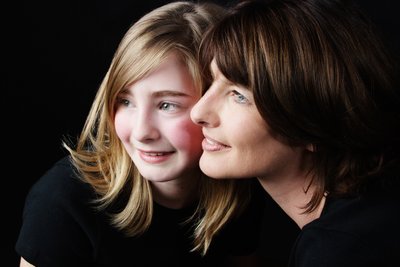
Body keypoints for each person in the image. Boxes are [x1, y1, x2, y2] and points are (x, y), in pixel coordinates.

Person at [15, 1, 263, 266]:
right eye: (126, 101)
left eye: (167, 105)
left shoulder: (239, 185)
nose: (142, 132)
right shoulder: (63, 201)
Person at [190, 0, 400, 266]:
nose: (198, 112)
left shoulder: (340, 251)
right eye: (210, 82)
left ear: (313, 123)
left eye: (238, 95)